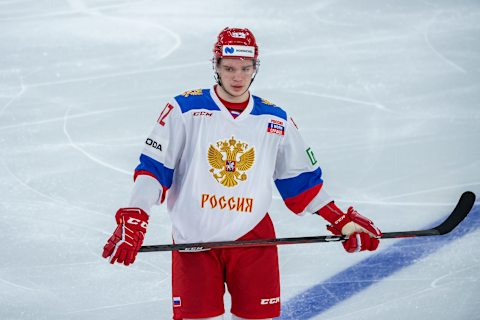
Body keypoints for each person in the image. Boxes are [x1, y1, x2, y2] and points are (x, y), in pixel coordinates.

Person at [102, 27, 382, 320]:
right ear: (216, 66)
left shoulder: (275, 119)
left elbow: (301, 183)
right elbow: (154, 170)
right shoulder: (184, 109)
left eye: (246, 69)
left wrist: (340, 219)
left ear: (255, 67)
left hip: (253, 239)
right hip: (193, 239)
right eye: (229, 68)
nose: (238, 77)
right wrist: (135, 214)